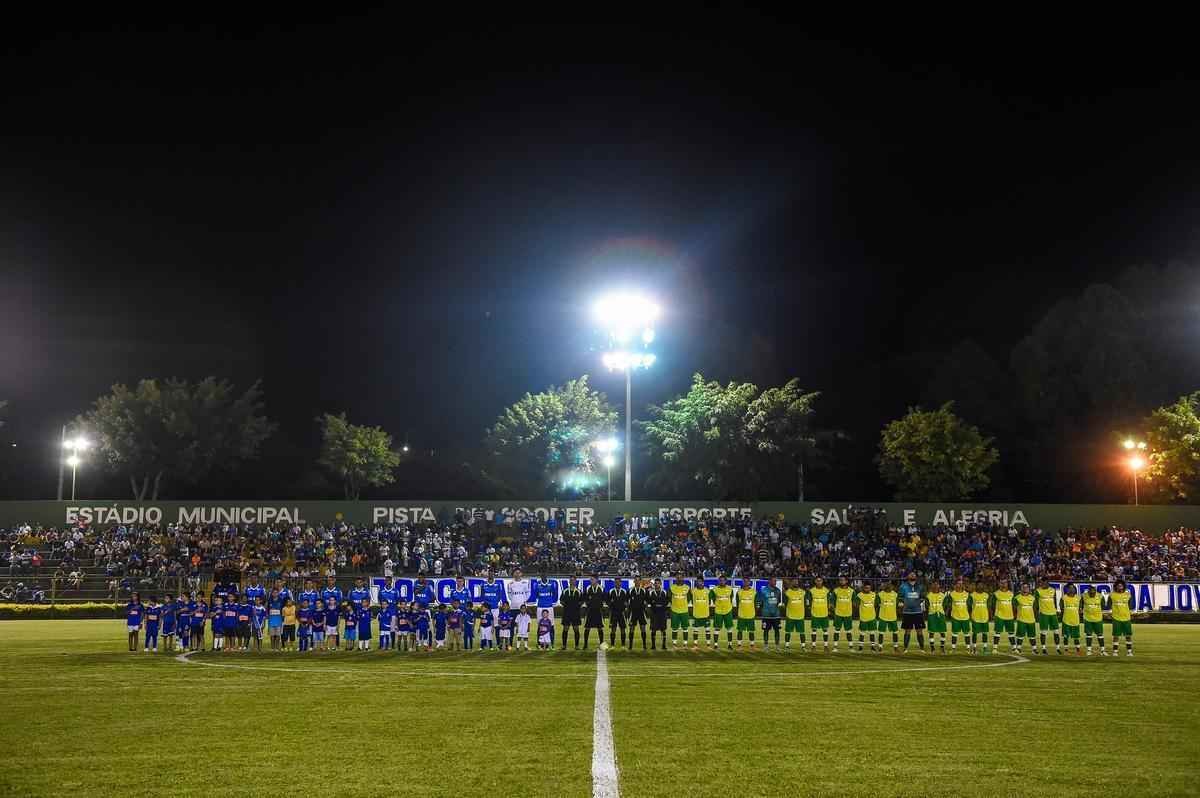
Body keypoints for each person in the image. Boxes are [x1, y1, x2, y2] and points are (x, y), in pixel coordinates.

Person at [898, 572, 926, 653]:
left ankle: (922, 648)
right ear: (908, 576)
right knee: (907, 630)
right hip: (907, 612)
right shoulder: (903, 586)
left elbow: (923, 596)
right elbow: (900, 597)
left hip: (918, 612)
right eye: (911, 574)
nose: (913, 575)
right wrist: (901, 604)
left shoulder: (920, 586)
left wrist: (920, 603)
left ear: (916, 577)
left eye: (914, 574)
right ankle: (905, 648)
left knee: (919, 630)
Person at [1035, 578, 1062, 655]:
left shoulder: (1053, 590)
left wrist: (1057, 610)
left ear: (1048, 583)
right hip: (1043, 614)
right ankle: (1043, 648)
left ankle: (1058, 648)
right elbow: (1036, 603)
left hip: (1053, 614)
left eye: (1045, 583)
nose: (1043, 584)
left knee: (1056, 632)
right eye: (1042, 583)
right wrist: (1036, 614)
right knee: (1043, 632)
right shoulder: (1038, 591)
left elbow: (1055, 601)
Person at [757, 578, 782, 651]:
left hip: (776, 615)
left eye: (775, 581)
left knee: (777, 630)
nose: (775, 582)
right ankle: (766, 646)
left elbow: (778, 601)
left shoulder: (778, 590)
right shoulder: (763, 590)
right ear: (769, 581)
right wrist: (762, 609)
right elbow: (760, 601)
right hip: (766, 615)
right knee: (766, 630)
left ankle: (777, 646)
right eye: (773, 581)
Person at [1110, 580, 1134, 657]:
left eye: (1121, 585)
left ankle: (1129, 652)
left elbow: (1130, 605)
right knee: (1116, 636)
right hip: (1116, 618)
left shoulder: (1128, 595)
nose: (1120, 587)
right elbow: (1109, 605)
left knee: (1128, 636)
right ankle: (1115, 652)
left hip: (1126, 618)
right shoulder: (1112, 595)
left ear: (1124, 586)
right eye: (1118, 585)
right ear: (1116, 587)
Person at [710, 575, 735, 650]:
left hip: (728, 611)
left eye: (723, 580)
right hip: (718, 612)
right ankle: (715, 645)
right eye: (720, 580)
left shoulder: (730, 589)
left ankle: (730, 645)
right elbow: (713, 598)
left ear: (726, 581)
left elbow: (731, 598)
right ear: (718, 581)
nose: (722, 581)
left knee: (729, 628)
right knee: (717, 628)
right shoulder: (714, 589)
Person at [559, 577, 584, 650]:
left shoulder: (578, 591)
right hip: (566, 613)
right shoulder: (565, 591)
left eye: (573, 580)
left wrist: (576, 606)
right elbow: (561, 601)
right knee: (565, 629)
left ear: (576, 581)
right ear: (569, 581)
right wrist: (567, 606)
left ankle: (576, 646)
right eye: (571, 580)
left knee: (576, 629)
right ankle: (564, 646)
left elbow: (582, 601)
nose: (572, 581)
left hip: (575, 613)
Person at [991, 582, 1016, 654]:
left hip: (1009, 616)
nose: (1003, 584)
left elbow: (1014, 605)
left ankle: (1014, 648)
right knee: (997, 632)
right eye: (1001, 583)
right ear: (999, 584)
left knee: (1011, 632)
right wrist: (993, 615)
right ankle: (995, 648)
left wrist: (1014, 614)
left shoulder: (1011, 594)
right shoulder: (996, 594)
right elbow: (992, 605)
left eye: (1005, 583)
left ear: (1007, 584)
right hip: (999, 616)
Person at [583, 574, 606, 650]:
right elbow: (585, 598)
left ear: (597, 580)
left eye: (592, 579)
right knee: (587, 628)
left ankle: (602, 644)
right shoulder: (588, 588)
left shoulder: (601, 588)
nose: (591, 581)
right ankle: (585, 644)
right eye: (590, 579)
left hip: (598, 611)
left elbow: (604, 599)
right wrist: (588, 604)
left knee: (600, 628)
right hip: (590, 611)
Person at [1014, 583, 1038, 655]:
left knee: (1032, 636)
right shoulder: (1017, 598)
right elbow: (1014, 608)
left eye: (1026, 587)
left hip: (1031, 620)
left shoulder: (1032, 598)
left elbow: (1035, 608)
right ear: (1021, 588)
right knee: (1020, 635)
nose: (1025, 589)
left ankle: (1034, 649)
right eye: (1023, 587)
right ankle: (1018, 648)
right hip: (1021, 619)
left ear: (1029, 589)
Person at [1059, 582, 1083, 656]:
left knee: (1076, 637)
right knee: (1066, 636)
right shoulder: (1063, 598)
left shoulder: (1078, 598)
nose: (1071, 589)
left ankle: (1078, 651)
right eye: (1070, 588)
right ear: (1067, 589)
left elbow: (1080, 609)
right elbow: (1061, 608)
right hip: (1066, 620)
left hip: (1075, 620)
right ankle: (1066, 650)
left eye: (1073, 588)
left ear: (1075, 589)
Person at [832, 577, 855, 653]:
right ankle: (835, 647)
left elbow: (855, 602)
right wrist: (833, 608)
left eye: (843, 580)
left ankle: (851, 647)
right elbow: (832, 601)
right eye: (840, 580)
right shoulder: (836, 590)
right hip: (838, 614)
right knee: (836, 630)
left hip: (848, 614)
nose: (841, 581)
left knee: (848, 631)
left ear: (847, 581)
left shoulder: (852, 591)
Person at [783, 578, 807, 651]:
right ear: (791, 583)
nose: (796, 583)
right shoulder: (787, 592)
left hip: (800, 616)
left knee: (802, 632)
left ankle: (803, 647)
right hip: (790, 616)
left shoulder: (803, 592)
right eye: (794, 582)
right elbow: (785, 603)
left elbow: (806, 603)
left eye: (797, 581)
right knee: (788, 631)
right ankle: (787, 646)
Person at [689, 577, 713, 649]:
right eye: (697, 581)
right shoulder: (693, 591)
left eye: (700, 581)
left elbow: (709, 601)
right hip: (696, 614)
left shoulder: (707, 591)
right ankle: (695, 645)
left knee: (707, 630)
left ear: (703, 582)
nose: (698, 583)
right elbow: (692, 601)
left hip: (706, 614)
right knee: (695, 630)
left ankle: (708, 645)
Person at [808, 577, 831, 651]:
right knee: (814, 630)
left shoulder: (826, 591)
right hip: (815, 613)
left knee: (825, 630)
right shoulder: (811, 591)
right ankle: (813, 646)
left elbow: (829, 602)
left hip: (824, 614)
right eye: (817, 581)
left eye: (820, 580)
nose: (819, 582)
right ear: (815, 581)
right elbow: (809, 602)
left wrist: (829, 610)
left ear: (822, 581)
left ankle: (826, 646)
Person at [1082, 585, 1106, 656]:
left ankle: (1102, 650)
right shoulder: (1083, 596)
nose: (1092, 591)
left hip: (1098, 619)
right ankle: (1089, 650)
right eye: (1091, 590)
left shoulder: (1100, 596)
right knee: (1089, 634)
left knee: (1100, 634)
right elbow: (1081, 605)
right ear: (1088, 590)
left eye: (1093, 590)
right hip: (1087, 618)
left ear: (1095, 590)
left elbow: (1103, 605)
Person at [948, 580, 971, 653]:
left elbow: (970, 605)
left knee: (966, 633)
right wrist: (948, 613)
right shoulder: (952, 594)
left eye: (961, 584)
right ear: (955, 585)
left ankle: (968, 649)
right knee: (954, 633)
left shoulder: (967, 594)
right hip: (955, 617)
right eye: (958, 584)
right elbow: (949, 605)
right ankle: (953, 648)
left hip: (965, 617)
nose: (960, 585)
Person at [669, 573, 691, 648]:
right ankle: (674, 643)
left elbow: (689, 598)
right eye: (677, 577)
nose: (679, 579)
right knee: (674, 628)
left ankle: (685, 643)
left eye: (681, 577)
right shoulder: (672, 587)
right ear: (675, 578)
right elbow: (669, 598)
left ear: (683, 578)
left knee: (685, 628)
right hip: (674, 611)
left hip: (684, 611)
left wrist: (683, 604)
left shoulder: (687, 587)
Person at [627, 578, 649, 650]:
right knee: (631, 628)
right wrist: (629, 608)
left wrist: (645, 606)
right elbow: (626, 600)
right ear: (634, 581)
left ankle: (644, 645)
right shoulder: (630, 590)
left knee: (643, 628)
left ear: (640, 581)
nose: (637, 581)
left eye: (638, 580)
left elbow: (647, 600)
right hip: (633, 612)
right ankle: (630, 645)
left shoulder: (644, 590)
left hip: (641, 612)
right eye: (636, 580)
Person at [877, 581, 900, 653]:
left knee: (895, 632)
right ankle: (880, 647)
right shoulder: (880, 594)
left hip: (892, 617)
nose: (889, 587)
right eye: (887, 585)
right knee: (881, 632)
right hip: (883, 616)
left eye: (890, 586)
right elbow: (877, 603)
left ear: (892, 587)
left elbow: (898, 604)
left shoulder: (895, 595)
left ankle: (896, 647)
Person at [855, 582, 878, 652]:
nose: (867, 589)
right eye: (866, 588)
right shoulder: (859, 595)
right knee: (862, 633)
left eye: (868, 588)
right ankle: (860, 647)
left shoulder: (874, 594)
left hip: (872, 617)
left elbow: (876, 604)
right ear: (863, 588)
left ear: (870, 588)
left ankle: (873, 647)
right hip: (863, 617)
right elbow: (855, 604)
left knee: (872, 633)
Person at [647, 578, 669, 650]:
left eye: (658, 583)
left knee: (663, 630)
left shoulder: (664, 592)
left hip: (662, 613)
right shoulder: (651, 592)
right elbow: (649, 602)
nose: (657, 584)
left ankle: (664, 645)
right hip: (654, 614)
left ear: (660, 584)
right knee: (653, 630)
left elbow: (666, 602)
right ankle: (653, 646)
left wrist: (663, 608)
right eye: (655, 583)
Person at [607, 579, 630, 648]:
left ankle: (623, 645)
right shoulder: (611, 591)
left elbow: (626, 602)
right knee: (613, 629)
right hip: (613, 613)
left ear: (621, 583)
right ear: (614, 583)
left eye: (618, 582)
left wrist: (624, 607)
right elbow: (608, 601)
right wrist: (611, 605)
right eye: (616, 582)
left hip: (621, 613)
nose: (617, 583)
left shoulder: (624, 591)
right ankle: (612, 645)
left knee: (623, 629)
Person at [735, 577, 757, 648]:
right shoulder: (739, 592)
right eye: (744, 581)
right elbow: (738, 604)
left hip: (751, 615)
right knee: (740, 631)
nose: (746, 583)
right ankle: (739, 644)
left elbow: (756, 603)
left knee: (751, 631)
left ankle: (752, 645)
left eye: (747, 581)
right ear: (742, 582)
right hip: (741, 615)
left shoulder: (754, 591)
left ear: (750, 582)